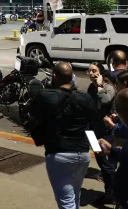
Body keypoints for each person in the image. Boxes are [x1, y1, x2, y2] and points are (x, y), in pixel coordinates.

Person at [28, 62, 96, 209]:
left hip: (60, 155)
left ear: (54, 76)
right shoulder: (85, 98)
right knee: (74, 195)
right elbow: (92, 123)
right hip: (83, 154)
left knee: (66, 201)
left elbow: (32, 114)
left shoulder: (46, 96)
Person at [86, 62, 116, 206]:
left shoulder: (107, 87)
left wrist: (99, 86)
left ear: (101, 73)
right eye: (89, 71)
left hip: (105, 132)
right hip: (93, 131)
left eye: (94, 71)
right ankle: (109, 192)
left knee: (108, 165)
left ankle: (112, 195)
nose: (91, 74)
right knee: (101, 163)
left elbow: (105, 100)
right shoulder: (91, 87)